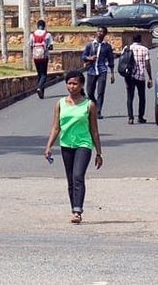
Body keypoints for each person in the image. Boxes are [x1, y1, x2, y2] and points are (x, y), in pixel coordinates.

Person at [44, 69, 103, 224]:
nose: (72, 86)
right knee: (70, 179)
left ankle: (78, 211)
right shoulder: (60, 104)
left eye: (75, 83)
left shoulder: (89, 105)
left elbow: (94, 130)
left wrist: (99, 152)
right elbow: (56, 127)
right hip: (66, 144)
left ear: (81, 84)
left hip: (84, 144)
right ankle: (74, 208)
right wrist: (49, 146)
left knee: (78, 176)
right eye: (69, 83)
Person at [117, 31, 152, 124]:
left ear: (132, 40)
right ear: (140, 40)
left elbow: (122, 60)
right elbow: (147, 64)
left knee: (130, 97)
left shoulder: (127, 48)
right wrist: (150, 77)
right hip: (140, 76)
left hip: (129, 75)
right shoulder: (145, 49)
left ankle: (130, 117)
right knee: (142, 97)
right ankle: (140, 117)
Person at [80, 27, 115, 117]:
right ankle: (95, 105)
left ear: (105, 34)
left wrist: (112, 74)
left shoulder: (107, 46)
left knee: (100, 91)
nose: (100, 33)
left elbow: (111, 60)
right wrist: (89, 58)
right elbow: (83, 56)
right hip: (91, 70)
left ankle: (98, 111)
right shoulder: (90, 45)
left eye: (102, 32)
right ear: (96, 32)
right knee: (90, 92)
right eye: (99, 31)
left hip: (102, 70)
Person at [29, 20, 54, 98]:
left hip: (36, 56)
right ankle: (40, 88)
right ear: (44, 26)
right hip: (44, 56)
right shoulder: (47, 35)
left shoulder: (32, 34)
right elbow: (51, 46)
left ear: (37, 26)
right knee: (44, 74)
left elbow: (30, 44)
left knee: (39, 74)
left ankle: (41, 93)